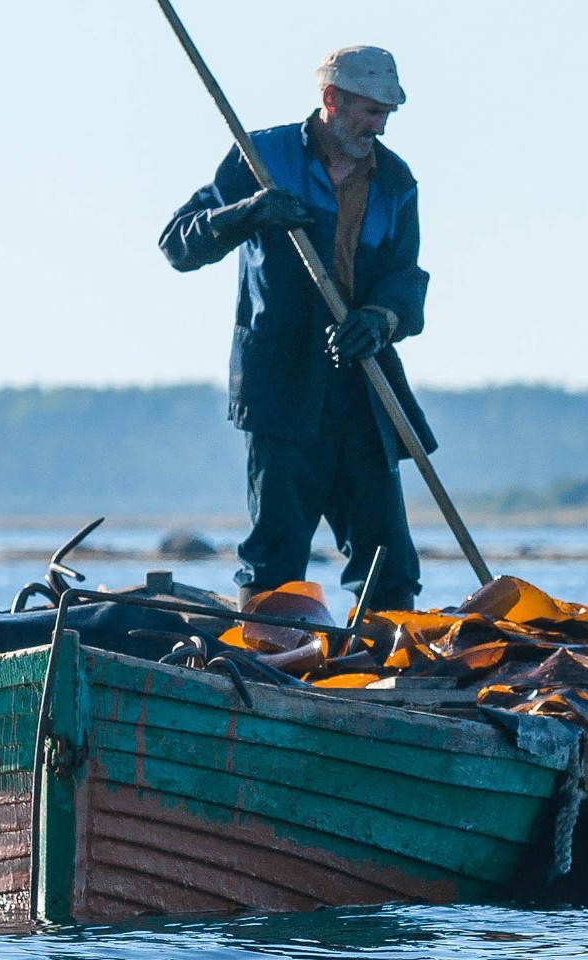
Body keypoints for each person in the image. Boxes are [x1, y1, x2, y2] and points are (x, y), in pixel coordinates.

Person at [159, 45, 433, 612]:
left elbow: (407, 280)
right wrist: (247, 213)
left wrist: (380, 322)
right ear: (332, 99)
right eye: (369, 111)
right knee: (276, 550)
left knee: (389, 555)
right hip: (281, 385)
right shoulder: (263, 156)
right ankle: (265, 664)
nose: (379, 126)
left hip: (364, 381)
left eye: (386, 115)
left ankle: (387, 676)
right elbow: (178, 244)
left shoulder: (396, 181)